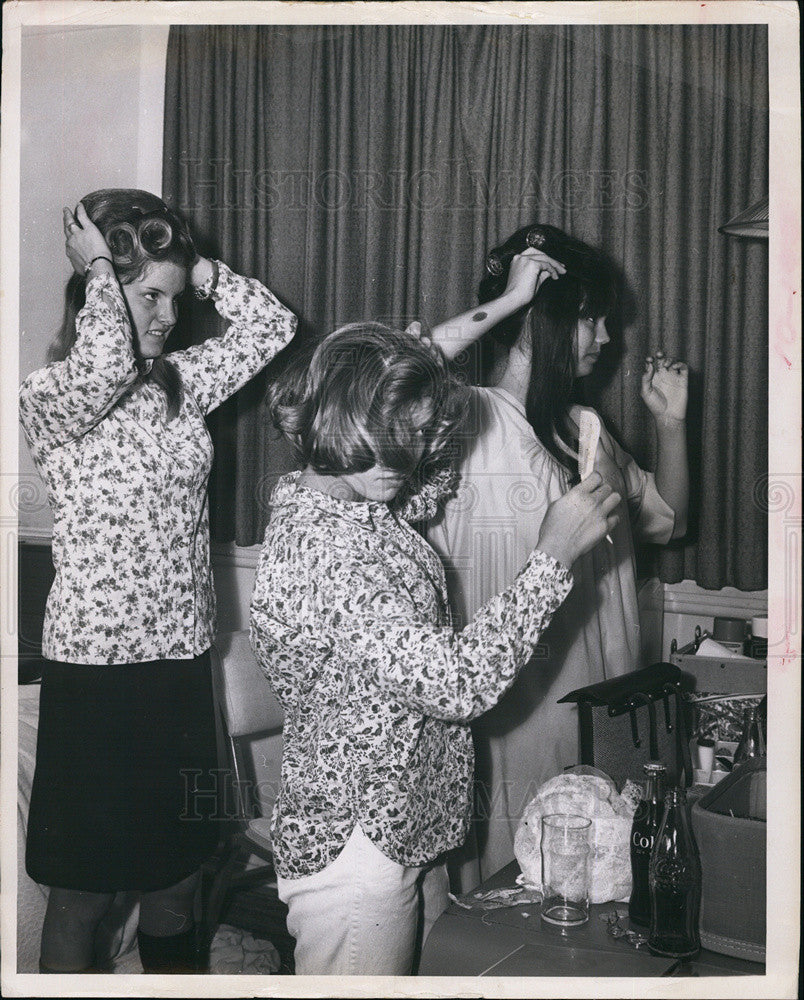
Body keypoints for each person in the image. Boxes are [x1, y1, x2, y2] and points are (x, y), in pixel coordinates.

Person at [248, 322, 621, 975]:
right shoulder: (321, 541)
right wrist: (552, 556)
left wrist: (424, 366)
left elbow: (430, 470)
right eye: (402, 433)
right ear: (346, 416)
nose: (412, 454)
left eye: (418, 433)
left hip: (407, 820)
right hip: (357, 842)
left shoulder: (355, 500)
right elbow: (452, 683)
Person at [19, 189, 297, 974]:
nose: (168, 316)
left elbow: (273, 326)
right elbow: (104, 359)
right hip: (97, 673)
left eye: (174, 301)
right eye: (150, 296)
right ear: (96, 290)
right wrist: (105, 267)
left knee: (177, 877)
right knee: (85, 894)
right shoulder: (50, 399)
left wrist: (194, 268)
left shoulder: (180, 386)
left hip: (178, 665)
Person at [426, 222, 689, 887]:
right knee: (516, 887)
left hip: (605, 705)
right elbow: (380, 378)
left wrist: (671, 425)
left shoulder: (586, 429)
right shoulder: (464, 421)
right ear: (543, 322)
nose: (607, 338)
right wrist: (511, 300)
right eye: (591, 320)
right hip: (517, 715)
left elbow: (668, 519)